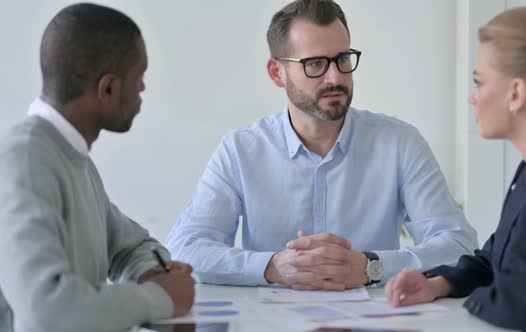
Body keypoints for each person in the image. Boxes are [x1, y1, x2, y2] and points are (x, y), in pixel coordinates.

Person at [166, 0, 477, 291]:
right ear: (277, 72)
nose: (334, 78)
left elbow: (459, 246)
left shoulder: (400, 144)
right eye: (315, 64)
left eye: (342, 59)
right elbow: (184, 248)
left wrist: (372, 267)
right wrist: (270, 267)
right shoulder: (240, 150)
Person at [385, 5, 526, 331]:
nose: (472, 98)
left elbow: (522, 304)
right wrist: (439, 285)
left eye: (479, 82)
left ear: (516, 93)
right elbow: (494, 259)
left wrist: (472, 301)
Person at [0, 4, 195, 332]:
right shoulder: (25, 160)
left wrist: (149, 271)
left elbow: (133, 246)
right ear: (108, 88)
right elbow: (47, 312)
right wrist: (158, 297)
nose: (143, 88)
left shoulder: (74, 159)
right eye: (139, 76)